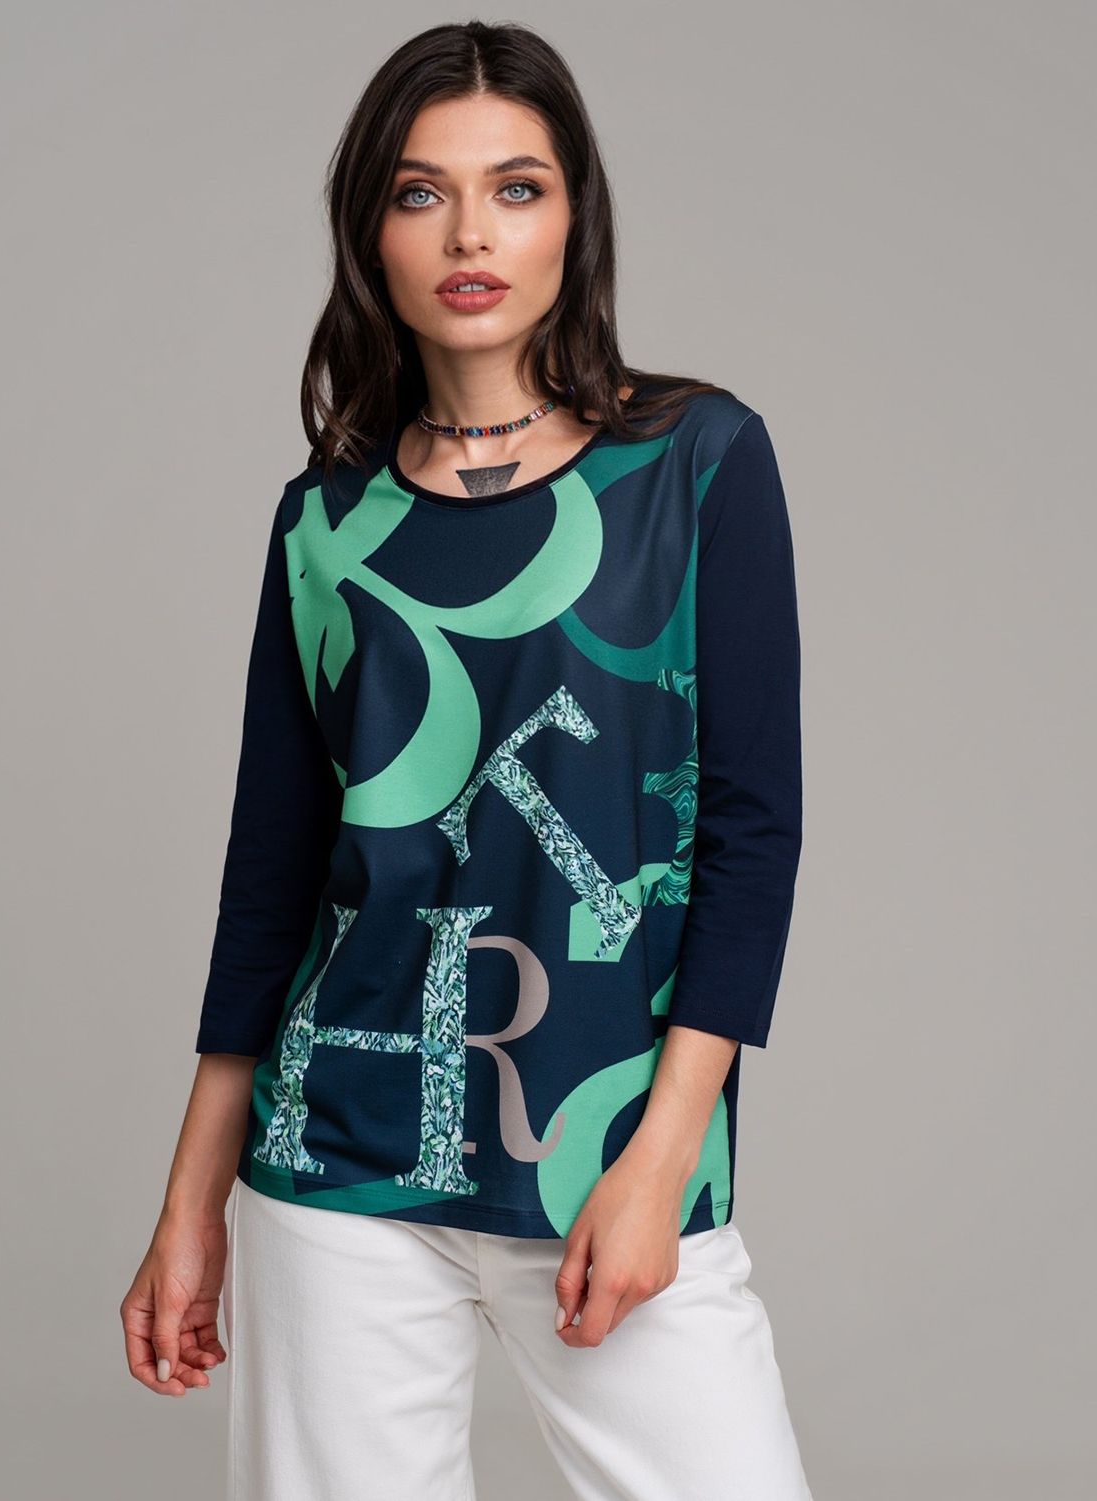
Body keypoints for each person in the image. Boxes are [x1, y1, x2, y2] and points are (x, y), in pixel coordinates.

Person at [120, 19, 814, 1500]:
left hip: (605, 1149)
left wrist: (660, 1158)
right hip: (336, 1158)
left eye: (517, 187)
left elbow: (752, 834)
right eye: (421, 192)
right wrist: (192, 1202)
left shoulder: (696, 466)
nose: (470, 234)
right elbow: (271, 877)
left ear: (575, 217)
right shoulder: (325, 523)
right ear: (370, 228)